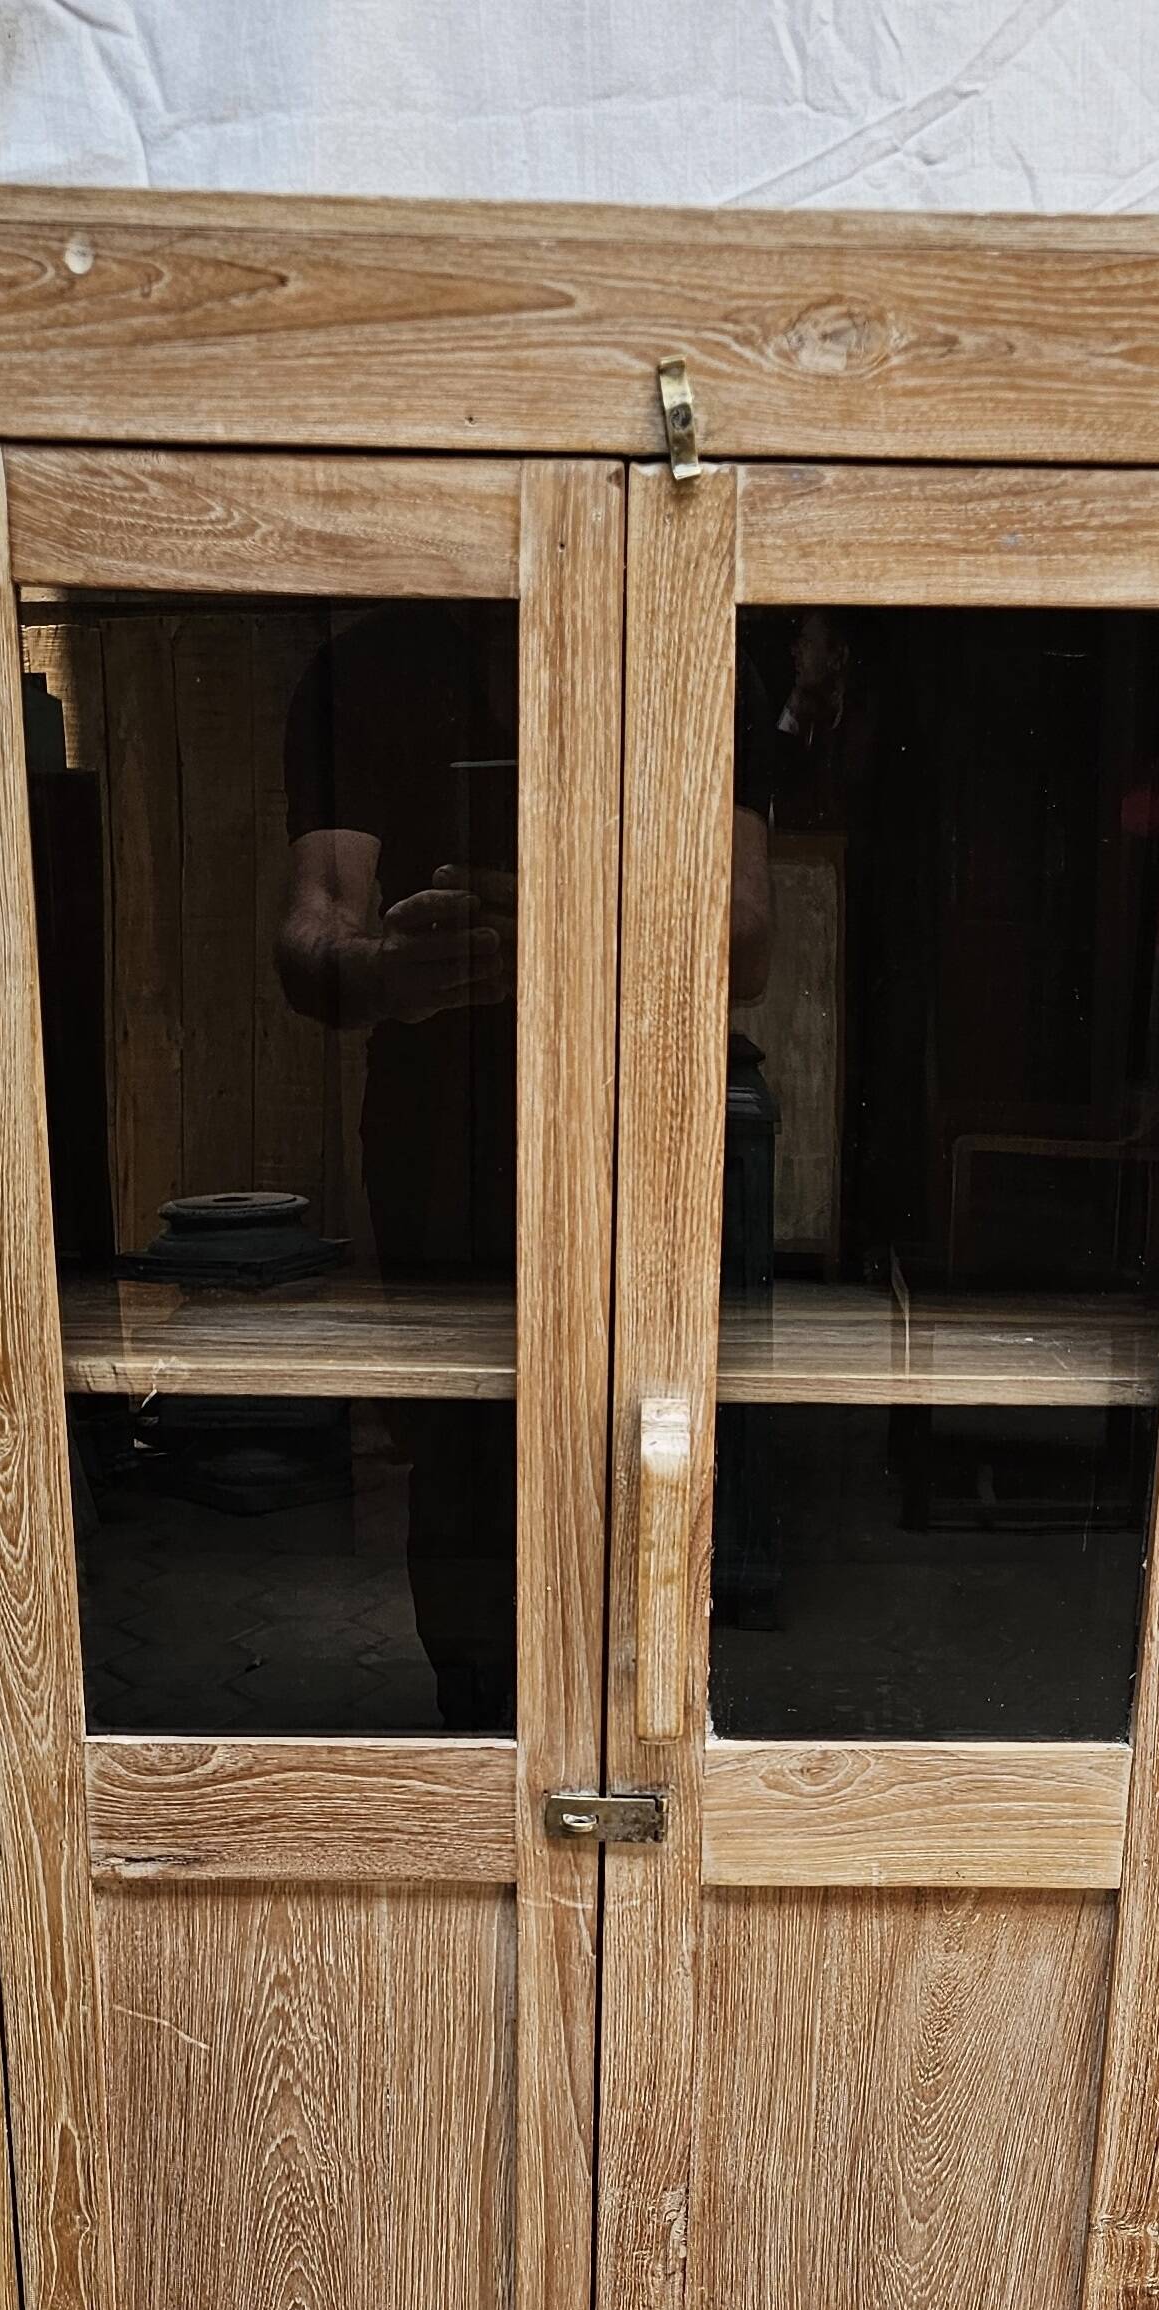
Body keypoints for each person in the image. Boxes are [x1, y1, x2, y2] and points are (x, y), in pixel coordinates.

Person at [275, 601, 771, 1725]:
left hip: (647, 1102)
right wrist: (384, 971)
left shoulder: (684, 630)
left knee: (660, 1423)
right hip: (435, 1115)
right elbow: (309, 933)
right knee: (455, 1442)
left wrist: (569, 920)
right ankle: (481, 1729)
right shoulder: (362, 670)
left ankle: (654, 1738)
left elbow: (744, 940)